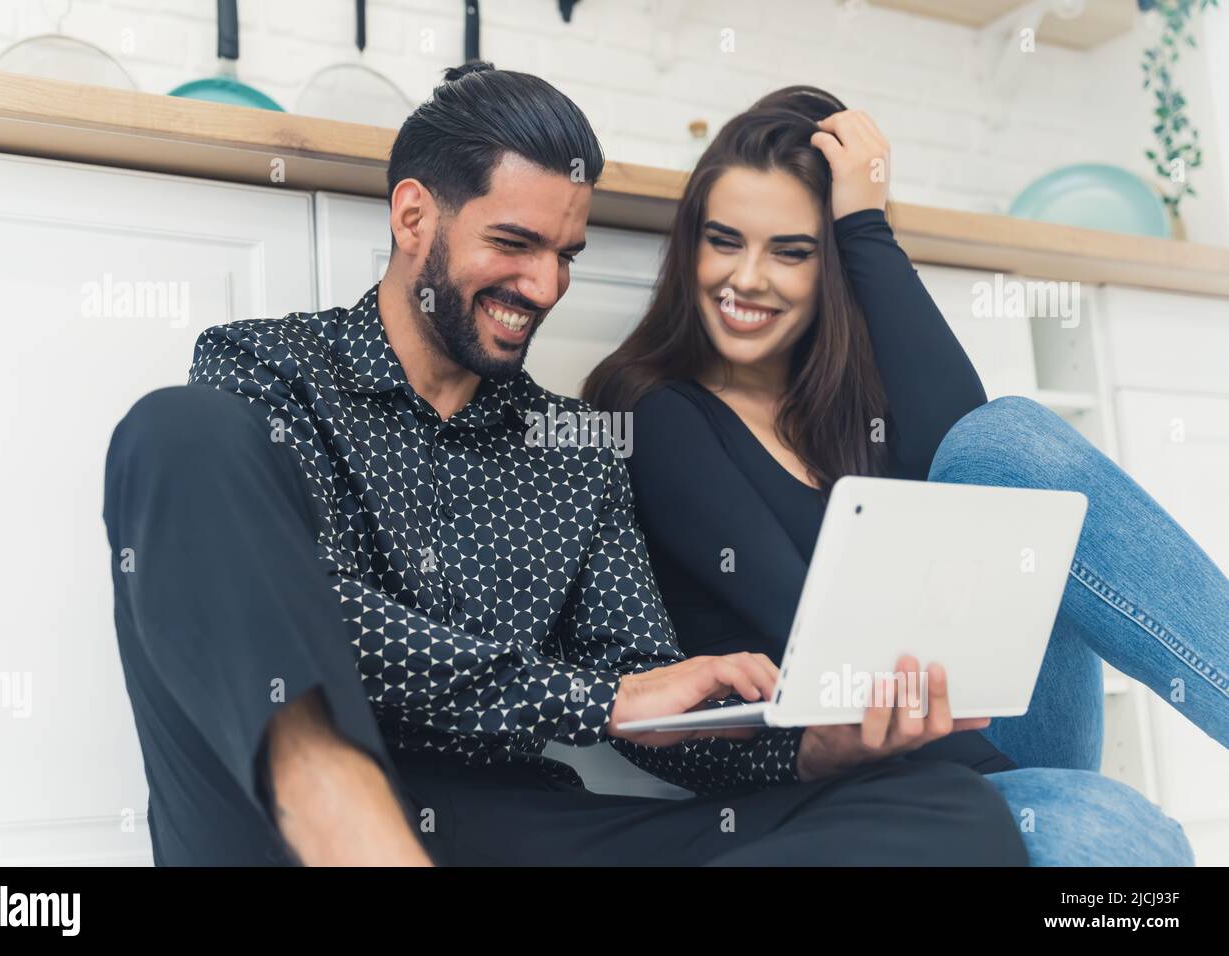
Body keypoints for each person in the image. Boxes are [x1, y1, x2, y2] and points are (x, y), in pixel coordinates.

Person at [102, 64, 1030, 866]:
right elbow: (314, 614)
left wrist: (807, 752)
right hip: (286, 821)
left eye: (565, 254)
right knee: (174, 432)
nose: (543, 287)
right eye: (514, 243)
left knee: (947, 817)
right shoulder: (266, 370)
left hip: (516, 831)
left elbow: (650, 705)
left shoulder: (576, 445)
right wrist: (597, 697)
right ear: (414, 216)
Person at [583, 85, 1218, 866]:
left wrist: (865, 226)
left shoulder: (851, 408)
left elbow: (975, 445)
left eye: (791, 251)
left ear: (831, 270)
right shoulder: (652, 409)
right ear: (690, 248)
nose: (747, 279)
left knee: (1006, 443)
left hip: (976, 734)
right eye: (724, 241)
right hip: (848, 784)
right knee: (1122, 838)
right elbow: (819, 635)